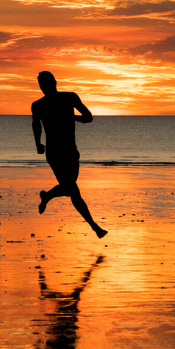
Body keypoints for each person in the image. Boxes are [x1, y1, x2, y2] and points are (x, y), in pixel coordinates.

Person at [31, 71, 107, 238]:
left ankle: (47, 195)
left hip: (71, 151)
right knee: (72, 189)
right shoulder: (38, 105)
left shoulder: (69, 97)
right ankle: (95, 227)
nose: (44, 88)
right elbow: (36, 125)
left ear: (54, 83)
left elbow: (88, 118)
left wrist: (71, 117)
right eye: (41, 85)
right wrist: (38, 144)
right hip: (54, 152)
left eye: (46, 84)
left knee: (68, 188)